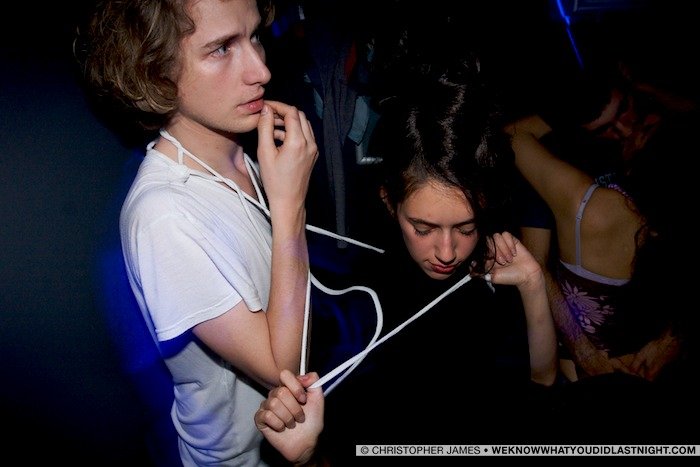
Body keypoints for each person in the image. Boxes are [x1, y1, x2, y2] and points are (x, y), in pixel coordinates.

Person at [255, 58, 559, 464]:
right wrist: (303, 456)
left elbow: (542, 381)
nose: (447, 251)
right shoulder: (357, 308)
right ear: (389, 202)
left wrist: (533, 283)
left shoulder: (490, 274)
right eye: (423, 228)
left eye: (467, 228)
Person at [77, 0, 319, 465]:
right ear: (155, 70)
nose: (261, 71)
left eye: (254, 37)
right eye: (222, 48)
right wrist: (291, 205)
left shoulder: (241, 153)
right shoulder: (162, 216)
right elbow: (283, 372)